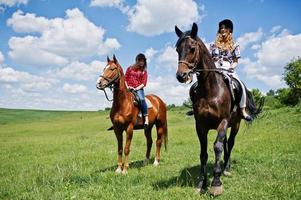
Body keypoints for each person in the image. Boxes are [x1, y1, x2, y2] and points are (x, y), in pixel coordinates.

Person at [210, 19, 252, 121]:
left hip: (228, 67)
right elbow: (209, 58)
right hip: (214, 67)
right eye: (221, 28)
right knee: (199, 84)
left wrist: (231, 67)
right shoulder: (213, 45)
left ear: (230, 31)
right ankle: (197, 107)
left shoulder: (235, 45)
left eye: (225, 28)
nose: (223, 29)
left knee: (240, 85)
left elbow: (235, 60)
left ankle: (242, 110)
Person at [125, 53, 149, 127]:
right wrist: (127, 87)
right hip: (128, 88)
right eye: (140, 61)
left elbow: (143, 83)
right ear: (137, 61)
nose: (142, 62)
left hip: (138, 89)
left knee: (141, 99)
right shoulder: (129, 68)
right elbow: (125, 78)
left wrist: (136, 88)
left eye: (143, 61)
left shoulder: (144, 72)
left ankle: (146, 117)